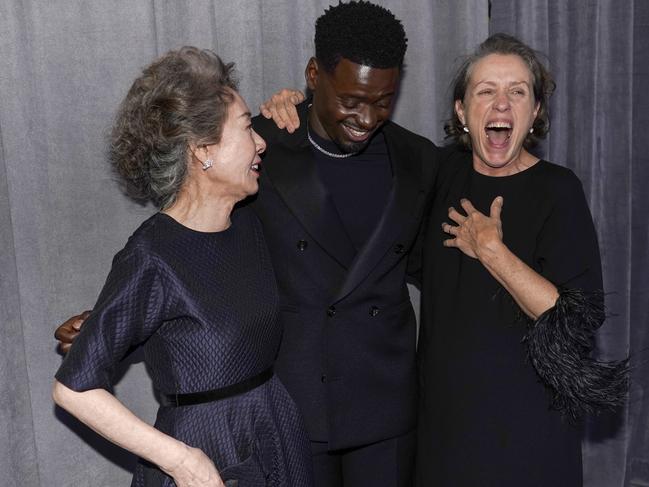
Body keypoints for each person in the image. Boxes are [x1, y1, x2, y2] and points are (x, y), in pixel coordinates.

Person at [55, 2, 441, 486]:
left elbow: (439, 273)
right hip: (252, 424)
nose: (367, 117)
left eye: (383, 100)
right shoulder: (244, 167)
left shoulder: (415, 162)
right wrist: (118, 322)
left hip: (335, 418)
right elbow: (185, 256)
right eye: (350, 99)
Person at [52, 46, 313, 487]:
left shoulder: (249, 222)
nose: (261, 142)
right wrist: (181, 461)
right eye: (248, 128)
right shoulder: (152, 255)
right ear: (202, 151)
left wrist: (293, 103)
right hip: (208, 453)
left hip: (275, 433)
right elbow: (72, 389)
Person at [415, 33, 627, 486]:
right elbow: (358, 136)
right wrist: (297, 106)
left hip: (529, 431)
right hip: (444, 429)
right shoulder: (437, 173)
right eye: (485, 91)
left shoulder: (558, 190)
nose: (501, 104)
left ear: (534, 113)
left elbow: (575, 320)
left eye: (517, 92)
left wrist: (494, 252)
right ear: (461, 111)